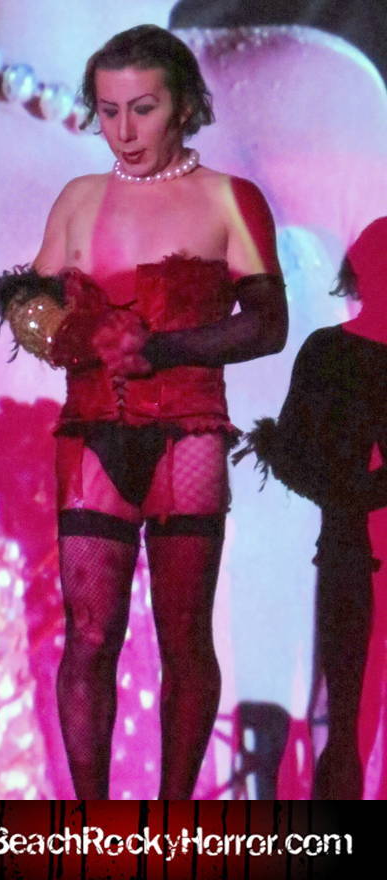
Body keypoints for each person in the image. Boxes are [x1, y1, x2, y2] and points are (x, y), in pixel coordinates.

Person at [26, 24, 288, 799]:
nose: (125, 131)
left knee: (183, 639)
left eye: (143, 109)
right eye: (109, 112)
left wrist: (163, 347)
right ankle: (92, 825)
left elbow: (268, 324)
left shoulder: (229, 199)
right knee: (89, 637)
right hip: (92, 432)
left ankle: (173, 822)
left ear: (184, 107)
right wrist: (75, 334)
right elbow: (28, 309)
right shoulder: (79, 199)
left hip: (187, 434)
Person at [234, 218, 387, 798]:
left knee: (346, 716)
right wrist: (351, 496)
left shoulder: (331, 351)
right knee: (346, 716)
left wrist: (346, 494)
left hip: (348, 550)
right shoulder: (329, 351)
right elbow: (291, 453)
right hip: (349, 557)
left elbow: (289, 453)